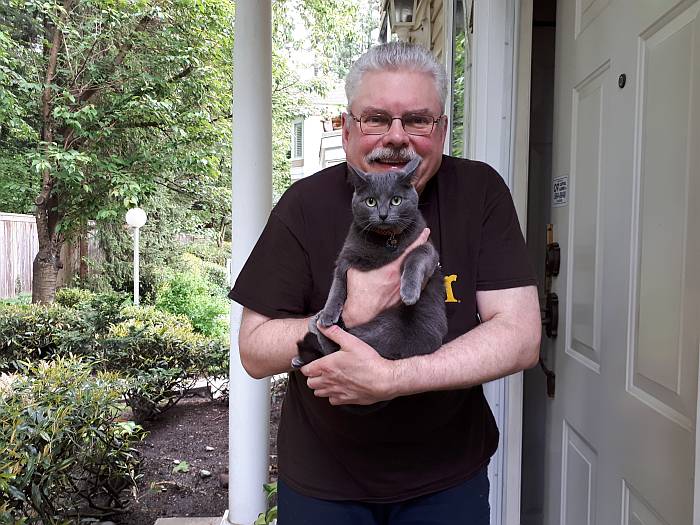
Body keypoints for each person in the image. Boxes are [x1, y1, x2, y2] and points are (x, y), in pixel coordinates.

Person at [229, 42, 541, 525]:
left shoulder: (479, 192)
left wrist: (394, 380)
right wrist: (349, 312)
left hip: (446, 477)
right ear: (348, 125)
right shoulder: (304, 204)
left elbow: (520, 337)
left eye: (417, 120)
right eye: (376, 118)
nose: (396, 138)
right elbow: (253, 350)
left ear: (440, 129)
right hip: (324, 483)